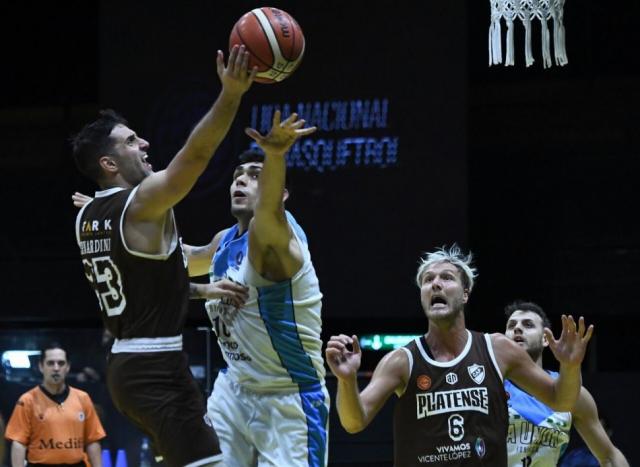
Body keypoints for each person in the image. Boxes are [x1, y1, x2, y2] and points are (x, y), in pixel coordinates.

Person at [71, 45, 255, 466]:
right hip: (154, 367)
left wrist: (205, 289)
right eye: (131, 141)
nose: (144, 143)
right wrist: (231, 95)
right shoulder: (140, 204)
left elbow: (161, 274)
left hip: (128, 366)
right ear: (109, 163)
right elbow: (196, 157)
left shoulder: (87, 216)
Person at [326, 245, 593, 467]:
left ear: (465, 294)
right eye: (428, 280)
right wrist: (346, 380)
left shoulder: (497, 349)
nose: (436, 284)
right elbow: (353, 422)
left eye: (446, 278)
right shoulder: (402, 361)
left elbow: (561, 400)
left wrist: (570, 366)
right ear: (422, 296)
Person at [184, 110, 326, 467]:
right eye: (237, 176)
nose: (241, 181)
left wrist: (275, 156)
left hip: (287, 396)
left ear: (280, 193)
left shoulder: (278, 243)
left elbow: (268, 215)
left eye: (254, 176)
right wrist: (119, 211)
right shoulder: (223, 241)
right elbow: (170, 265)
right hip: (235, 389)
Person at [504, 300, 628, 467]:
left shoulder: (571, 392)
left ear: (545, 339)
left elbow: (610, 456)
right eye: (511, 325)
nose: (517, 328)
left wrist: (571, 366)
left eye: (528, 325)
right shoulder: (491, 383)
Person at [4, 344, 105, 467]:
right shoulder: (27, 400)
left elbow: (92, 440)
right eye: (50, 363)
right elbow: (18, 443)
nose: (56, 368)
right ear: (41, 366)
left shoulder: (83, 398)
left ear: (68, 367)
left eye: (61, 363)